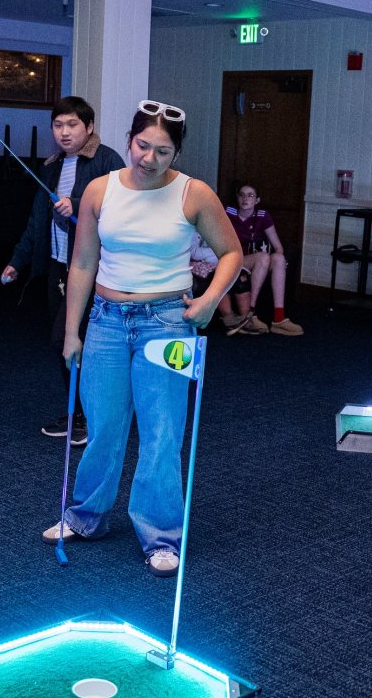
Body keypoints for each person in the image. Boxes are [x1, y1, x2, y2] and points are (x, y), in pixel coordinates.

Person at [43, 100, 242, 576]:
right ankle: (86, 517)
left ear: (177, 154)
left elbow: (232, 252)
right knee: (104, 426)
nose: (149, 159)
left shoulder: (194, 194)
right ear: (129, 140)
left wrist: (211, 299)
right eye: (142, 146)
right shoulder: (98, 190)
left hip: (168, 322)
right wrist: (73, 331)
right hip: (108, 320)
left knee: (161, 433)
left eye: (163, 152)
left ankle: (159, 537)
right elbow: (84, 263)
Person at [1, 96, 125, 445]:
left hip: (93, 271)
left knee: (69, 339)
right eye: (58, 125)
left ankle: (92, 413)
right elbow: (37, 219)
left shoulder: (107, 160)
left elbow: (119, 212)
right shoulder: (52, 166)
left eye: (72, 125)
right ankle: (79, 412)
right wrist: (17, 260)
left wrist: (81, 203)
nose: (64, 132)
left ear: (89, 127)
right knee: (64, 346)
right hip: (59, 266)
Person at [220, 183, 303, 336]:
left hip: (259, 261)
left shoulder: (262, 216)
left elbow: (278, 246)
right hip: (235, 260)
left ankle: (279, 319)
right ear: (238, 199)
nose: (245, 198)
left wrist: (282, 260)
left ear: (257, 200)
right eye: (242, 195)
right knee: (263, 257)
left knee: (277, 258)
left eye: (250, 195)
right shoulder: (229, 213)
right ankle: (250, 313)